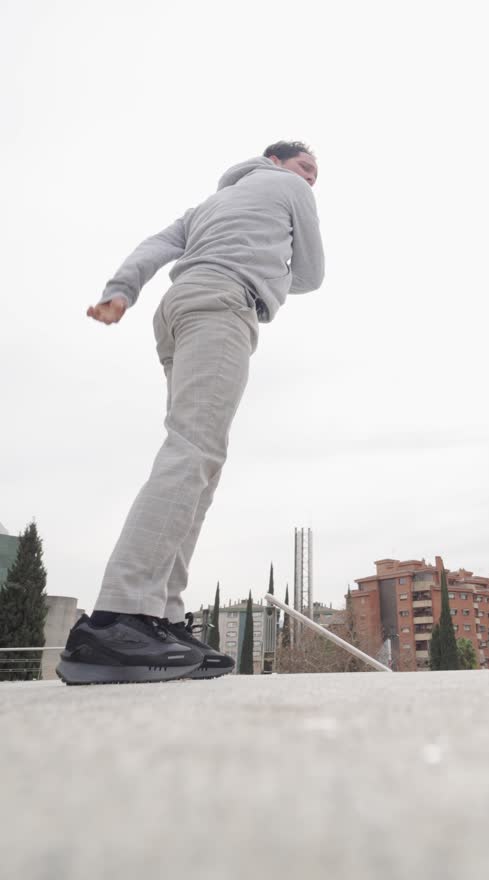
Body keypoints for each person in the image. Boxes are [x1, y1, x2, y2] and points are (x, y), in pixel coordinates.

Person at [57, 142, 324, 685]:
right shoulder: (288, 189)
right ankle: (116, 618)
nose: (311, 180)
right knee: (193, 451)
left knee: (200, 457)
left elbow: (156, 245)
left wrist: (120, 291)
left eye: (314, 175)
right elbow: (312, 274)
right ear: (275, 161)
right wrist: (276, 261)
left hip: (176, 308)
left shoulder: (207, 206)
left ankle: (163, 617)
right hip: (226, 302)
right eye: (306, 167)